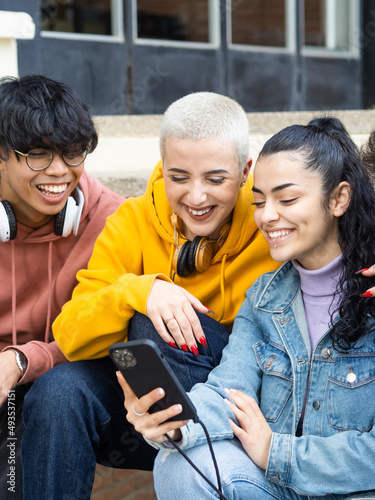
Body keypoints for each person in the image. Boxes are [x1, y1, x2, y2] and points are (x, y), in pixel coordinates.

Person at [22, 92, 279, 499]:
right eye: (179, 177)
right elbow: (69, 334)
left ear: (245, 170)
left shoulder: (272, 218)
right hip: (146, 415)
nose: (196, 197)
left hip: (248, 405)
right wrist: (139, 289)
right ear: (162, 167)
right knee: (58, 392)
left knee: (150, 328)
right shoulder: (133, 221)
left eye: (215, 179)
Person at [120, 117, 375, 499]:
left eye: (287, 199)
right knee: (180, 464)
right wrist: (176, 424)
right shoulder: (265, 299)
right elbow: (228, 390)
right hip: (275, 486)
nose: (267, 216)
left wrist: (278, 452)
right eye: (258, 201)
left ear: (338, 199)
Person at [0, 74, 124, 500]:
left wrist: (23, 360)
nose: (59, 171)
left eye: (72, 153)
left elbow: (110, 333)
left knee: (55, 398)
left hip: (63, 381)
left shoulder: (112, 220)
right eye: (37, 155)